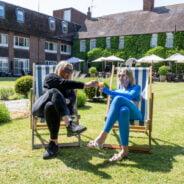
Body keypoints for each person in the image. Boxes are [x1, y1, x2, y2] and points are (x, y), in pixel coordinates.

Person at [32, 61, 98, 159]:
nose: (69, 73)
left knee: (51, 105)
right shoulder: (50, 77)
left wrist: (68, 100)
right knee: (54, 91)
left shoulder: (69, 87)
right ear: (59, 69)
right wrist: (86, 85)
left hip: (57, 111)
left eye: (71, 71)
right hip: (41, 109)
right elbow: (61, 83)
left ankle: (53, 143)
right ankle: (70, 124)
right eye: (66, 70)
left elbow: (73, 99)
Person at [87, 68, 142, 162]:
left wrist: (109, 92)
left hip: (136, 115)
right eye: (119, 75)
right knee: (123, 111)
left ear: (129, 76)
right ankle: (124, 151)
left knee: (118, 98)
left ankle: (102, 137)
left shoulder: (136, 87)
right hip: (125, 115)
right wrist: (107, 91)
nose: (121, 77)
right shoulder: (118, 90)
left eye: (123, 75)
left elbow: (129, 96)